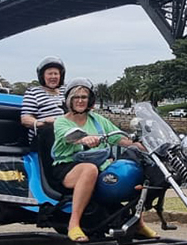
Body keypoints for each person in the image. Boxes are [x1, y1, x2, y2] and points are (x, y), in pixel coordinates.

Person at [52, 77, 156, 243]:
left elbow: (120, 138)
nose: (80, 100)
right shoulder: (61, 121)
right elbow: (70, 136)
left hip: (98, 166)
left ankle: (138, 222)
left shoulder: (97, 120)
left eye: (84, 97)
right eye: (76, 97)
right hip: (67, 167)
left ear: (90, 100)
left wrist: (145, 145)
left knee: (133, 169)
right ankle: (74, 224)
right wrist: (84, 139)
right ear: (69, 100)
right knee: (89, 169)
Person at [21, 56, 66, 141]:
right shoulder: (33, 92)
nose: (53, 76)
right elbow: (25, 119)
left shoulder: (67, 91)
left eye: (56, 74)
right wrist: (44, 123)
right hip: (44, 136)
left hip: (68, 132)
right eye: (50, 73)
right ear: (43, 76)